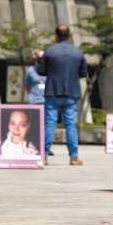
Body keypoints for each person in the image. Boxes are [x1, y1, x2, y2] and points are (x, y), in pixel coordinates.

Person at [37, 24, 88, 166]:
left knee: (49, 123)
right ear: (69, 35)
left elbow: (41, 71)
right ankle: (74, 157)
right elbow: (83, 73)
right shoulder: (78, 52)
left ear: (56, 36)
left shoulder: (49, 51)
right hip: (71, 93)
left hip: (52, 91)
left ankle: (44, 155)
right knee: (71, 124)